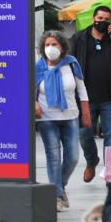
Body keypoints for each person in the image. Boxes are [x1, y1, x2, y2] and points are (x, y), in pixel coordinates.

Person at [35, 31, 90, 212]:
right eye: (48, 45)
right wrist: (34, 104)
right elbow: (29, 89)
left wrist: (86, 113)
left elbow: (81, 90)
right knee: (54, 157)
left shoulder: (71, 64)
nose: (51, 48)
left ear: (62, 47)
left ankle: (61, 185)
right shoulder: (39, 67)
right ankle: (57, 195)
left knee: (73, 157)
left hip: (70, 117)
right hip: (47, 118)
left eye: (55, 44)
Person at [69, 5, 111, 183]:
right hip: (85, 99)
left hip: (110, 98)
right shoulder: (79, 39)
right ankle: (92, 161)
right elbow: (68, 63)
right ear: (93, 19)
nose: (103, 23)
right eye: (100, 19)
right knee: (84, 134)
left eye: (107, 20)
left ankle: (110, 171)